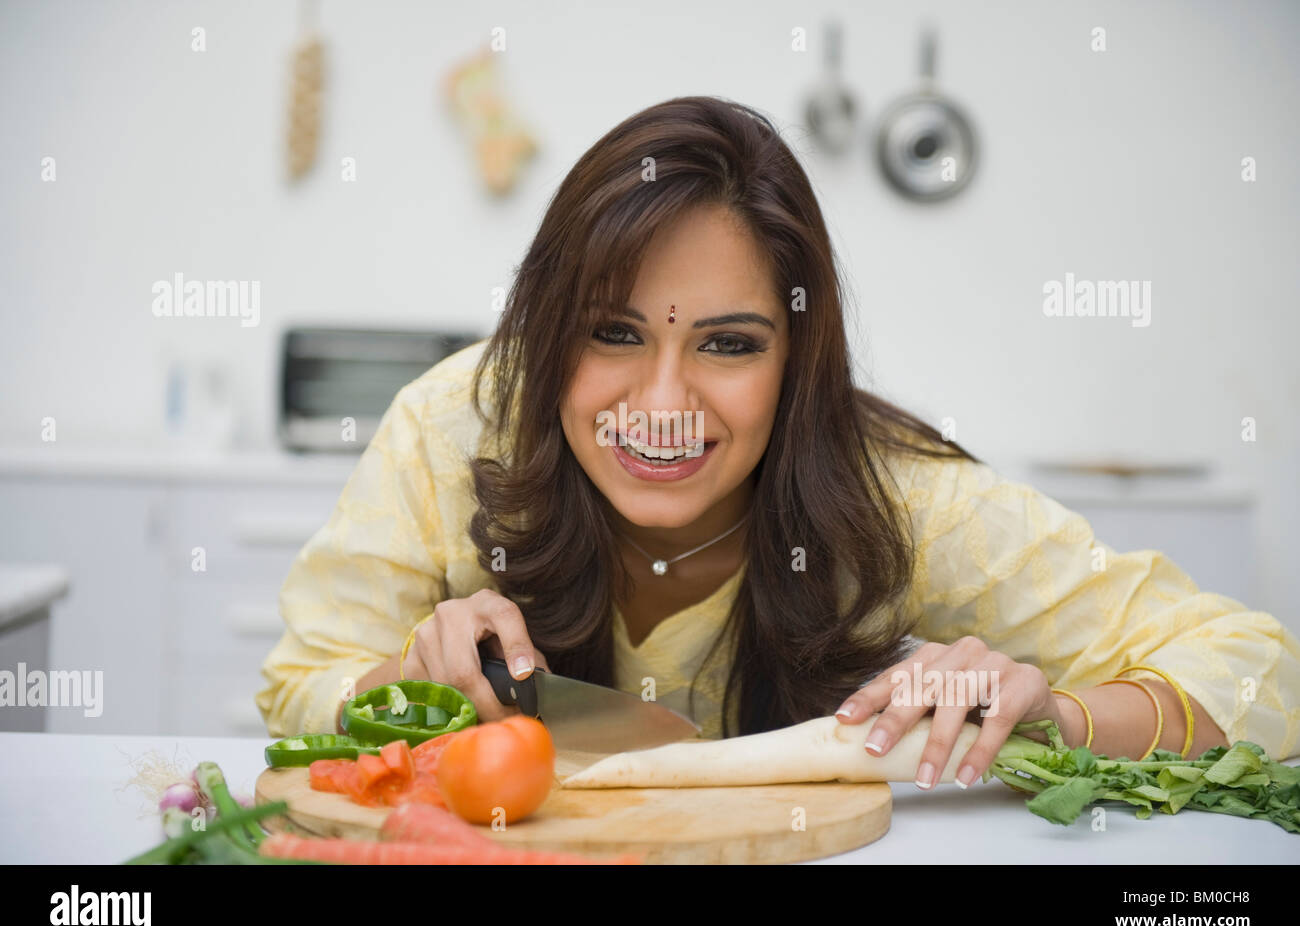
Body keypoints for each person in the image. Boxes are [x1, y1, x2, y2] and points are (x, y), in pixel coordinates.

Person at [257, 96, 1300, 791]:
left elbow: (1262, 674)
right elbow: (298, 680)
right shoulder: (454, 426)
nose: (661, 401)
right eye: (612, 331)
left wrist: (1053, 719)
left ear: (798, 358)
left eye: (727, 344)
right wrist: (401, 680)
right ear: (545, 327)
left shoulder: (894, 495)